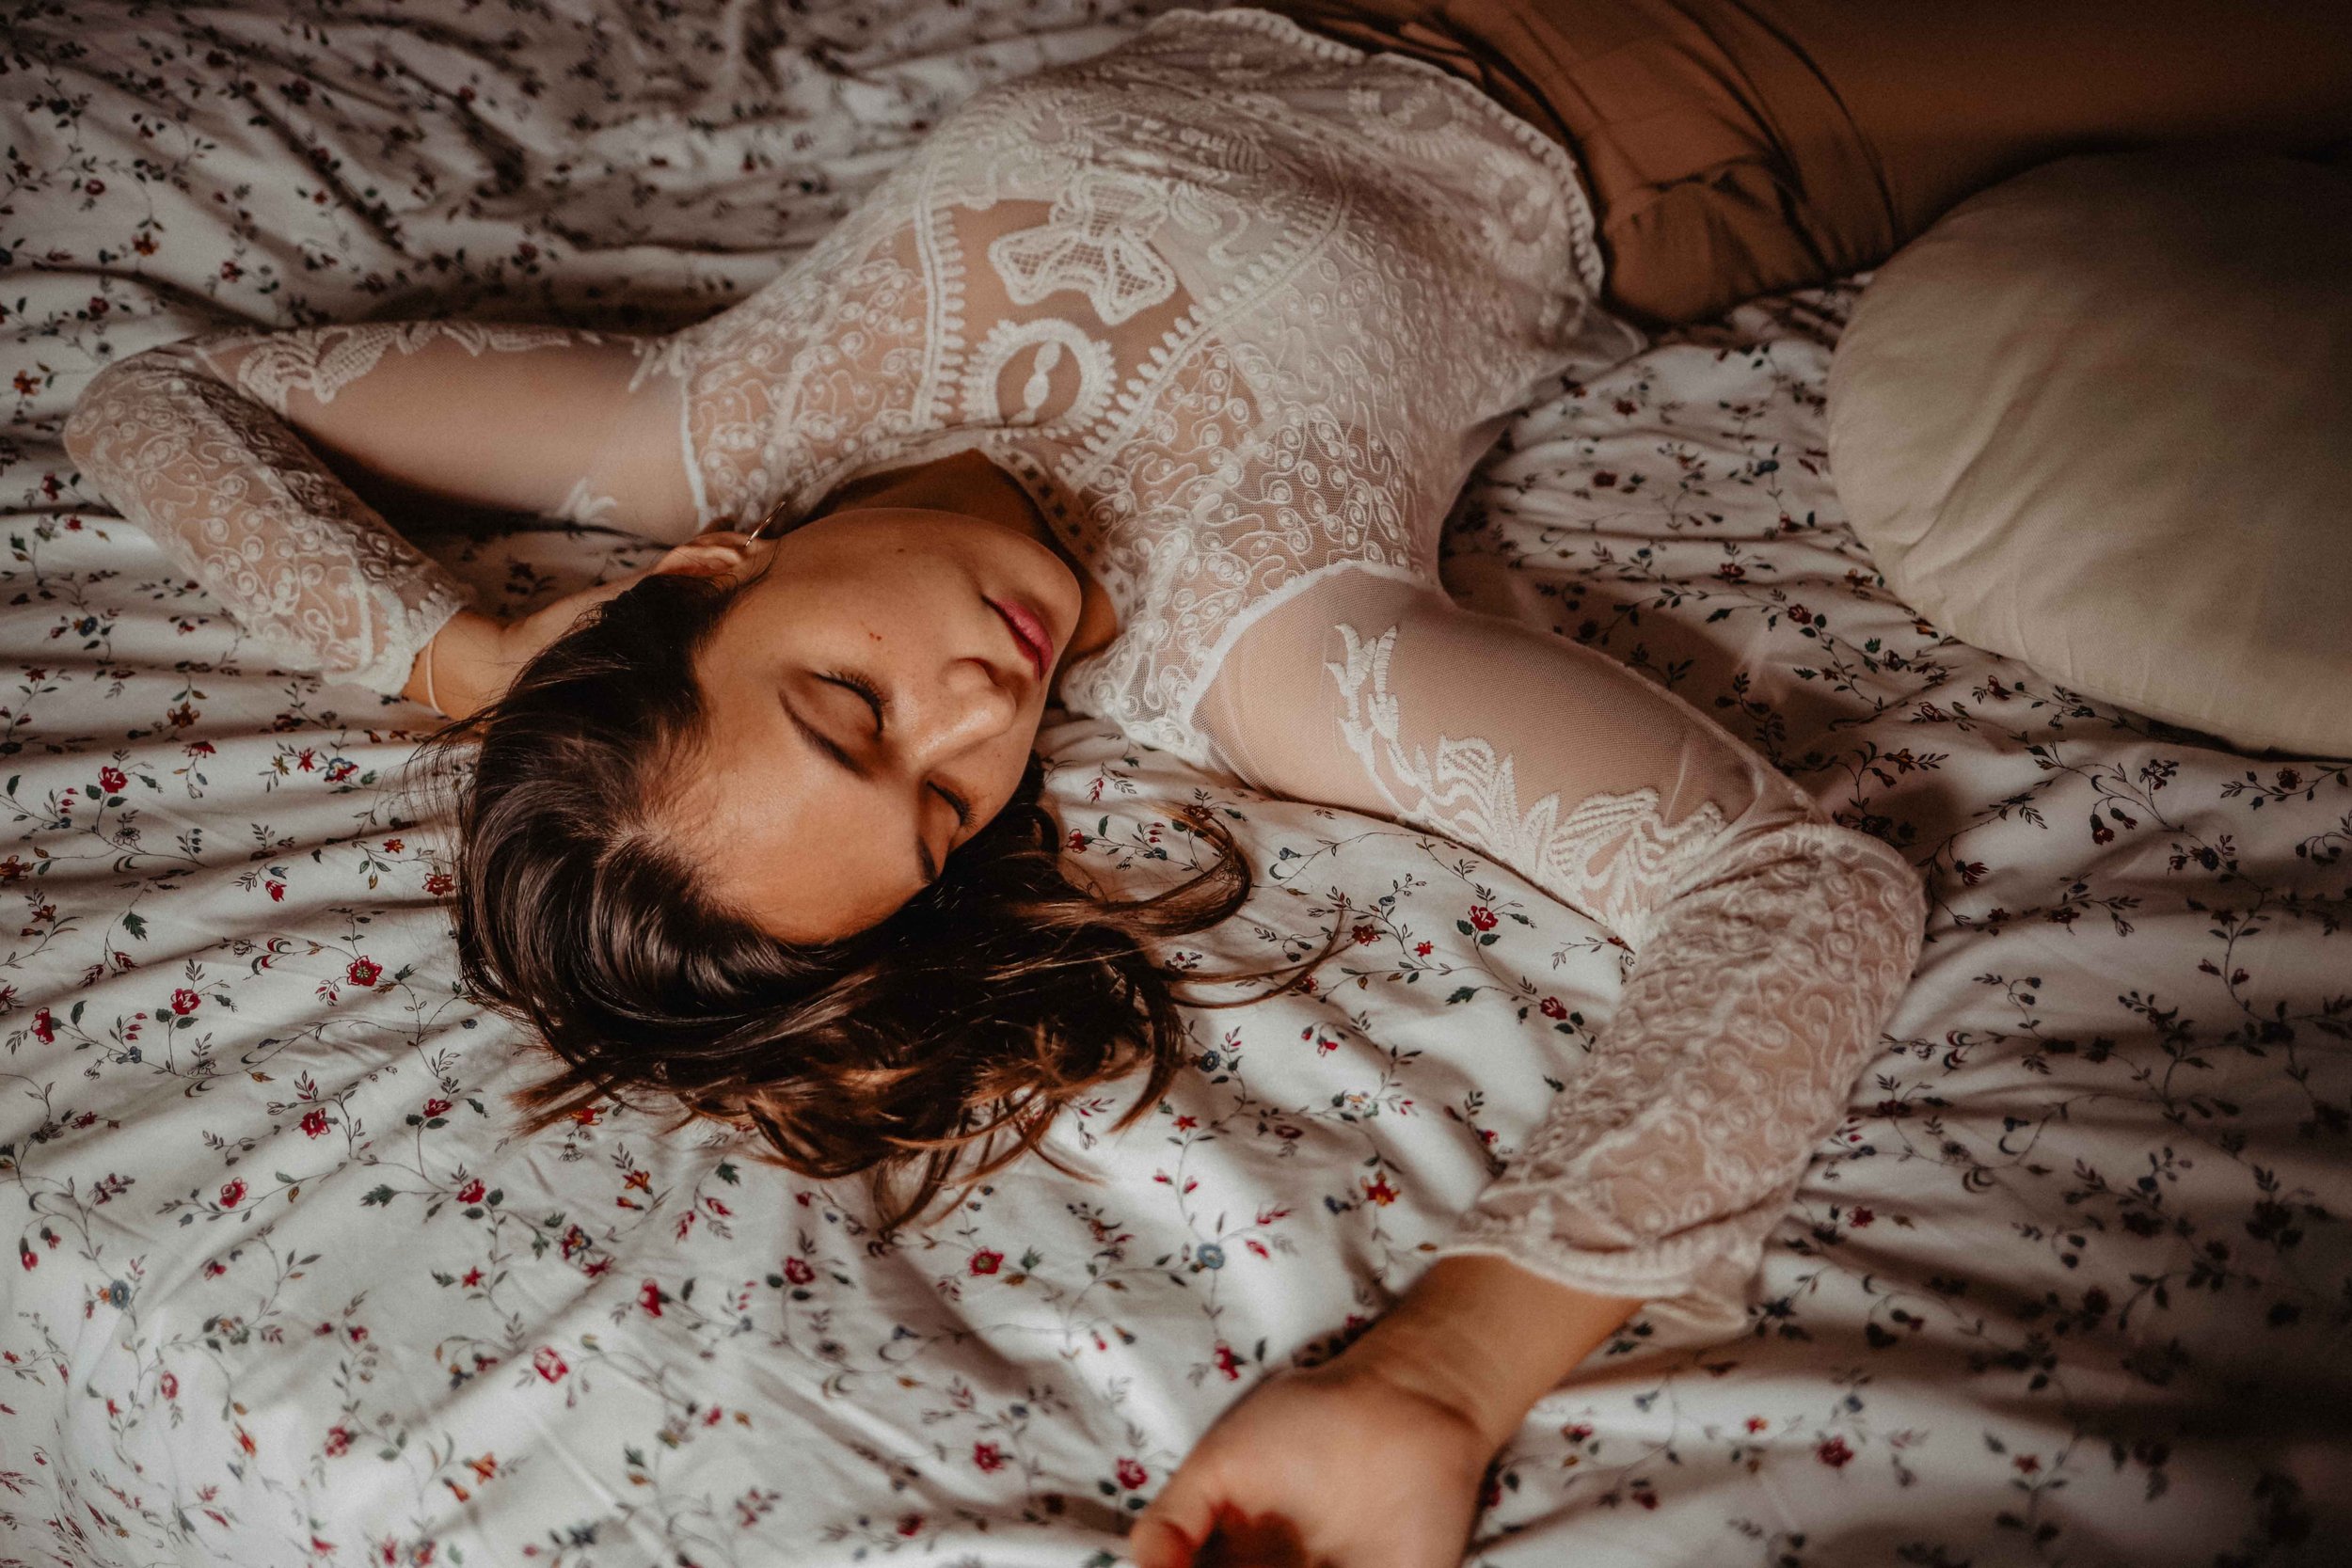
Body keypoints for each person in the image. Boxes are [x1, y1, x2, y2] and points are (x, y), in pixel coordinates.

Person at [58, 4, 2347, 1563]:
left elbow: (153, 403)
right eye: (950, 804)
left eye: (848, 708)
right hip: (1704, 93)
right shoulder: (1270, 645)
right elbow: (1789, 891)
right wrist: (1444, 1372)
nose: (981, 702)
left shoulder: (702, 426)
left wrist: (457, 649)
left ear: (703, 575)